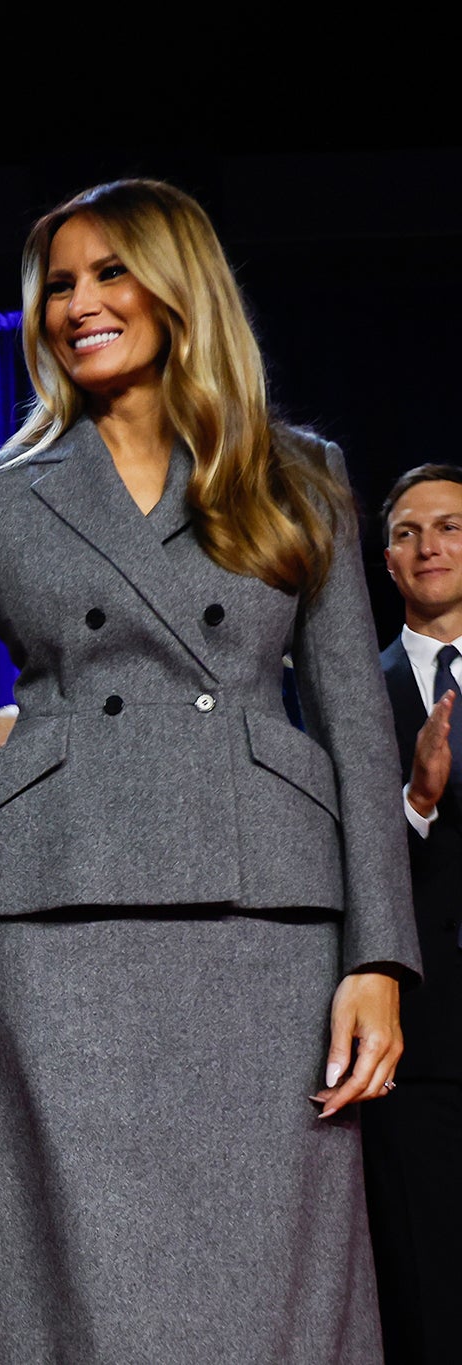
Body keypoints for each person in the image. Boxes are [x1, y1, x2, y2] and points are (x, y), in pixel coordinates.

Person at [0, 179, 420, 1363]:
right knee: (91, 1285)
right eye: (56, 284)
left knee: (272, 1272)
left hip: (261, 922)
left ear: (179, 286)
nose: (77, 303)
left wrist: (376, 955)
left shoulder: (296, 471)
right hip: (59, 922)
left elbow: (356, 734)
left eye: (108, 272)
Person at [365, 464, 462, 1364]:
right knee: (431, 1297)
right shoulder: (347, 691)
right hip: (426, 1046)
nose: (429, 545)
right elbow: (336, 863)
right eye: (407, 531)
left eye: (450, 526)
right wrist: (417, 802)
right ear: (387, 559)